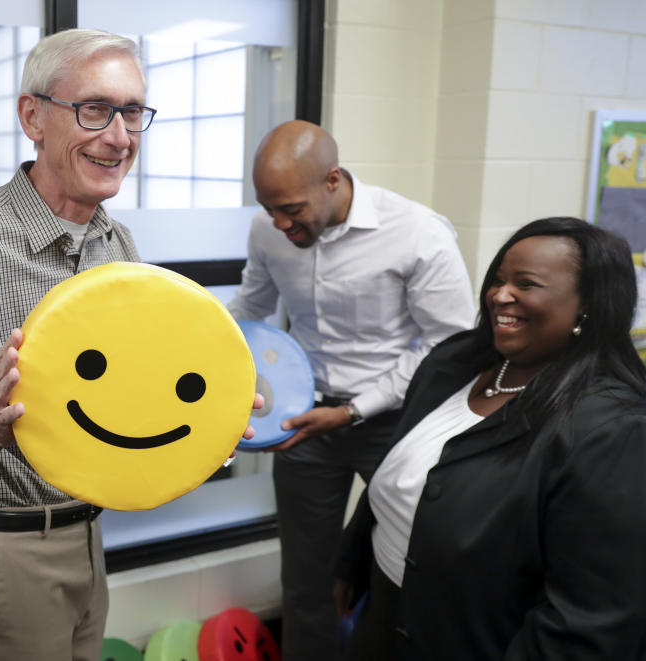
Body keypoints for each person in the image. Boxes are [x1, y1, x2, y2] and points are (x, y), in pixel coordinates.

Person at [0, 29, 258, 661]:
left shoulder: (117, 246)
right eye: (95, 109)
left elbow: (132, 391)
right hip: (2, 551)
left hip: (87, 535)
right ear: (33, 116)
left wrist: (204, 419)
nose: (119, 137)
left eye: (133, 112)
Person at [336, 217, 646, 660]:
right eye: (498, 279)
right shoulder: (452, 364)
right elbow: (398, 471)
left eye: (525, 284)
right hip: (385, 619)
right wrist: (352, 564)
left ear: (587, 305)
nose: (499, 295)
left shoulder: (614, 430)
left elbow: (595, 618)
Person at [226, 119, 475, 660]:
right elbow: (252, 307)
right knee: (305, 578)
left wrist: (355, 411)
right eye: (269, 209)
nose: (280, 223)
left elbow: (450, 346)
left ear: (333, 180)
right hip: (303, 421)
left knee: (407, 566)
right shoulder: (269, 229)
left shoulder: (417, 232)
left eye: (292, 209)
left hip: (396, 423)